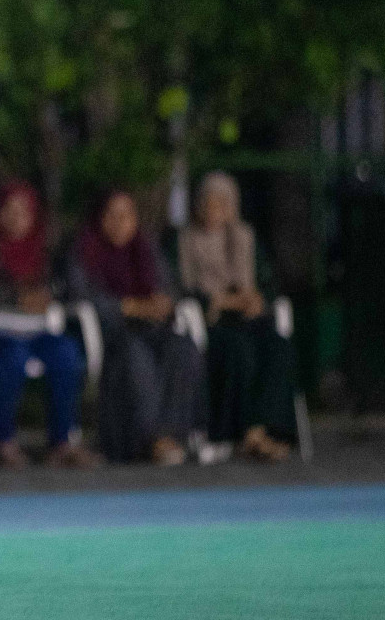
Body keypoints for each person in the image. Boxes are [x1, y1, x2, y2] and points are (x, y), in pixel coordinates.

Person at [0, 181, 95, 468]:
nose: (16, 217)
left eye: (23, 211)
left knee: (66, 351)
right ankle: (3, 442)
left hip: (34, 331)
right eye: (9, 209)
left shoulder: (43, 248)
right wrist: (19, 297)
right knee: (13, 356)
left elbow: (60, 287)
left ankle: (62, 442)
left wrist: (49, 295)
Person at [68, 189, 206, 466]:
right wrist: (128, 307)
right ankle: (150, 438)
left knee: (183, 348)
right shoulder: (84, 250)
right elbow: (81, 296)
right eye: (112, 215)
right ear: (99, 218)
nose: (120, 222)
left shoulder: (146, 248)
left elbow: (168, 289)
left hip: (153, 328)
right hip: (111, 334)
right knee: (135, 354)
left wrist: (162, 303)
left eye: (127, 215)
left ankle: (174, 435)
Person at [179, 171, 296, 461]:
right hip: (212, 323)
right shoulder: (186, 240)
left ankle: (266, 431)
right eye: (208, 203)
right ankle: (243, 434)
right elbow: (184, 289)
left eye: (222, 204)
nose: (214, 211)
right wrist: (220, 301)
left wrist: (258, 299)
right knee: (238, 350)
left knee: (277, 346)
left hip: (248, 318)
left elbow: (266, 283)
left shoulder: (245, 238)